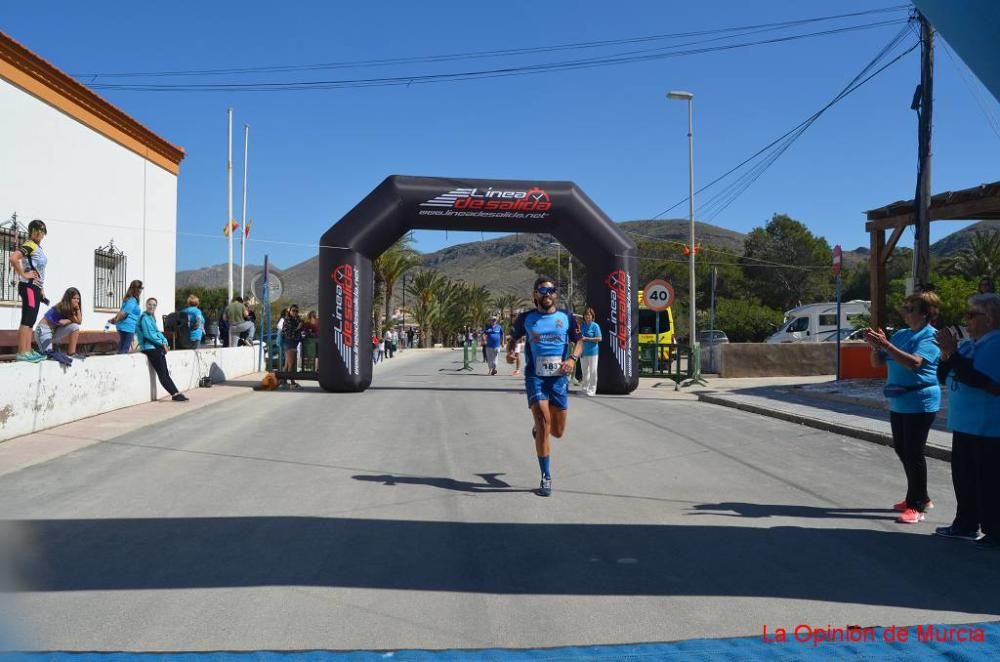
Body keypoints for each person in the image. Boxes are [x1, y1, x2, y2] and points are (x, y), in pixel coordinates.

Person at [864, 291, 942, 524]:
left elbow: (914, 364)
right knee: (902, 450)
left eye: (910, 309)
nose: (905, 313)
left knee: (913, 453)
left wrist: (886, 345)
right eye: (905, 308)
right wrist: (875, 347)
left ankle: (916, 505)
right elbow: (878, 363)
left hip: (921, 402)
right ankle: (921, 496)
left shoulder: (931, 337)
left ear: (926, 313)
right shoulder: (901, 334)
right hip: (899, 401)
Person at [933, 293, 1000, 547]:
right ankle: (965, 524)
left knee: (989, 483)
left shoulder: (995, 344)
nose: (966, 320)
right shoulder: (971, 344)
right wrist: (945, 353)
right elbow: (944, 375)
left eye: (972, 315)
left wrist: (953, 353)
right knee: (965, 479)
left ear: (990, 318)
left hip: (988, 428)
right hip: (966, 425)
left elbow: (981, 381)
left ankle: (994, 531)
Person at [506, 277, 583, 497]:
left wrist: (572, 359)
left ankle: (539, 430)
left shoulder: (566, 317)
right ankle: (546, 476)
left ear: (555, 295)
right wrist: (511, 352)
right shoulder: (526, 318)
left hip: (558, 378)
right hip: (535, 377)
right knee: (542, 420)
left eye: (552, 290)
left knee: (557, 431)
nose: (548, 294)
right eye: (543, 290)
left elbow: (579, 341)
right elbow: (513, 338)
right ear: (535, 294)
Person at [9, 219, 49, 362]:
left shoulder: (37, 248)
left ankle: (27, 350)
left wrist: (41, 288)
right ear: (32, 232)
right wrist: (23, 274)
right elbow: (14, 258)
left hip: (35, 288)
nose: (40, 234)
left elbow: (38, 270)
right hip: (29, 287)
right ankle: (22, 352)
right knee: (27, 319)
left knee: (30, 319)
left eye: (42, 231)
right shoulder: (30, 245)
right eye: (38, 231)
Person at [135, 297, 188, 402]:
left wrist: (165, 342)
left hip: (156, 347)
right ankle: (175, 393)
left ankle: (176, 393)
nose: (152, 307)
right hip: (149, 348)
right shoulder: (144, 318)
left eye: (154, 305)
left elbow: (157, 332)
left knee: (165, 372)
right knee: (162, 373)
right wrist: (162, 344)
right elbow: (148, 334)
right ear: (146, 305)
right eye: (150, 304)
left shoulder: (151, 318)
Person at [35, 287, 83, 358]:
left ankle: (71, 353)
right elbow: (78, 321)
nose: (76, 301)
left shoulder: (72, 308)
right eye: (74, 298)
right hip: (44, 330)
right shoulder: (64, 306)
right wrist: (69, 319)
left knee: (75, 327)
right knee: (48, 356)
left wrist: (77, 310)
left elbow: (78, 321)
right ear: (68, 298)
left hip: (54, 330)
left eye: (78, 299)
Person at [109, 280, 143, 354]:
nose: (141, 290)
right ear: (136, 289)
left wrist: (114, 319)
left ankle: (119, 363)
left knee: (122, 348)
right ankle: (120, 364)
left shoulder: (128, 299)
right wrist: (115, 320)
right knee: (124, 349)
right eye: (140, 288)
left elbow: (121, 312)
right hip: (128, 327)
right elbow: (124, 313)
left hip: (124, 326)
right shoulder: (132, 300)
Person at [579, 306, 603, 396]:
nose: (587, 317)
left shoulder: (595, 326)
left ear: (592, 316)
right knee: (585, 371)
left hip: (593, 352)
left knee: (593, 371)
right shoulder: (582, 326)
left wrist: (587, 338)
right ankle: (585, 389)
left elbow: (599, 338)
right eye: (586, 315)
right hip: (583, 352)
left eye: (589, 315)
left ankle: (592, 390)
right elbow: (580, 337)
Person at [280, 305, 303, 390]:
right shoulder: (287, 320)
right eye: (293, 311)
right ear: (290, 311)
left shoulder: (296, 319)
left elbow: (302, 322)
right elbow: (287, 333)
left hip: (294, 343)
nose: (295, 313)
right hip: (289, 342)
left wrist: (300, 324)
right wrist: (297, 328)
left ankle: (283, 381)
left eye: (297, 311)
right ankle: (292, 383)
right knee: (291, 364)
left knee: (287, 364)